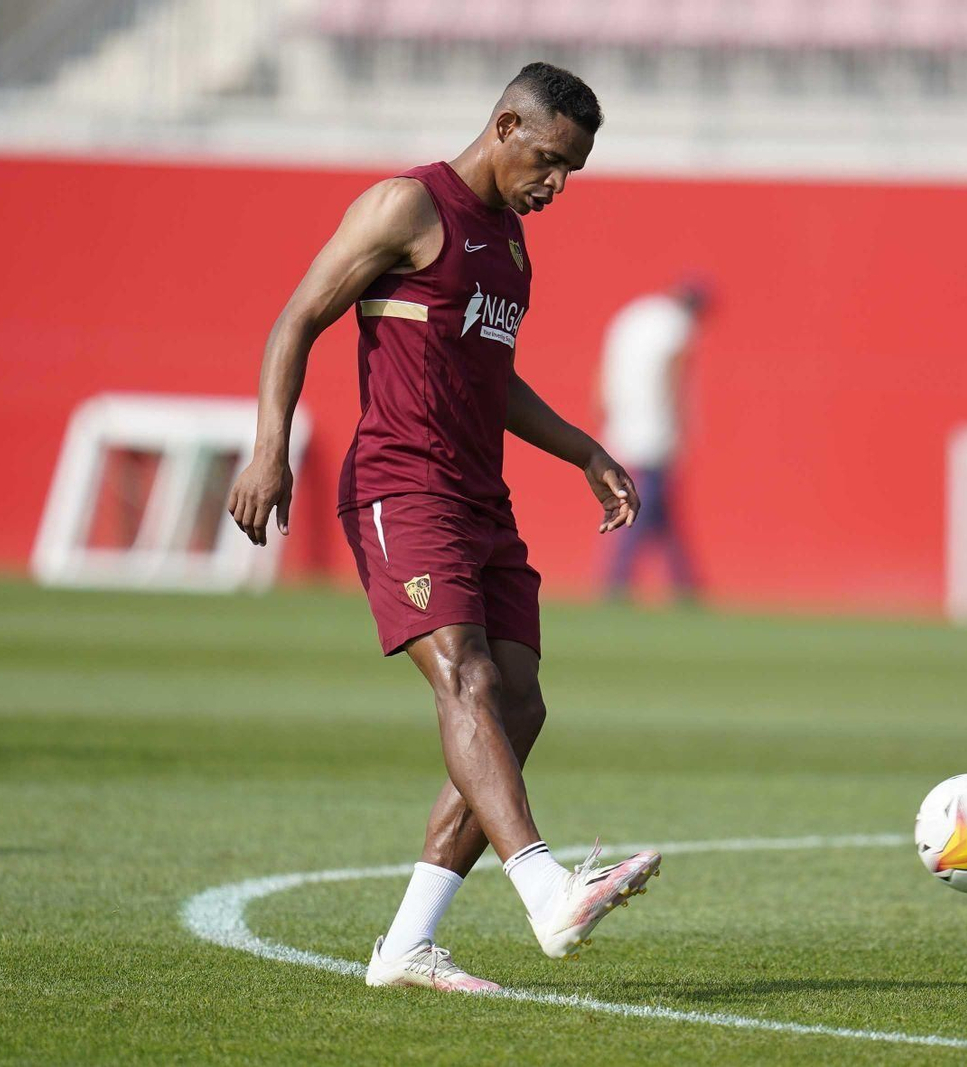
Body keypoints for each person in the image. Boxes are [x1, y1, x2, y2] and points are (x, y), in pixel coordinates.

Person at [225, 63, 660, 992]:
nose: (556, 186)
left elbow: (491, 381)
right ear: (505, 125)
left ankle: (407, 945)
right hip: (401, 486)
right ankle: (545, 888)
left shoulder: (510, 248)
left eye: (573, 172)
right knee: (461, 672)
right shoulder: (405, 208)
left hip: (482, 501)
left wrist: (584, 449)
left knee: (519, 702)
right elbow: (296, 318)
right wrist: (271, 448)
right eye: (548, 161)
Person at [598, 280, 710, 601]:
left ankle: (685, 582)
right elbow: (675, 377)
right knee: (641, 507)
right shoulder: (678, 326)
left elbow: (604, 369)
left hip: (623, 420)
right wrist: (682, 424)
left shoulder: (636, 317)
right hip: (655, 428)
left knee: (661, 510)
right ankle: (616, 579)